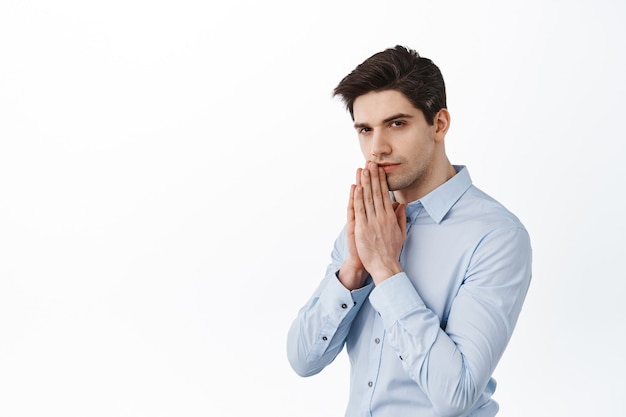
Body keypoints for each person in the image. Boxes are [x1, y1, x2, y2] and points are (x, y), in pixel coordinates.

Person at [286, 45, 532, 417]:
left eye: (396, 124)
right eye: (365, 130)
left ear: (439, 124)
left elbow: (456, 394)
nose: (377, 148)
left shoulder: (496, 237)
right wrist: (354, 268)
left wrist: (385, 269)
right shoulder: (367, 224)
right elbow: (304, 360)